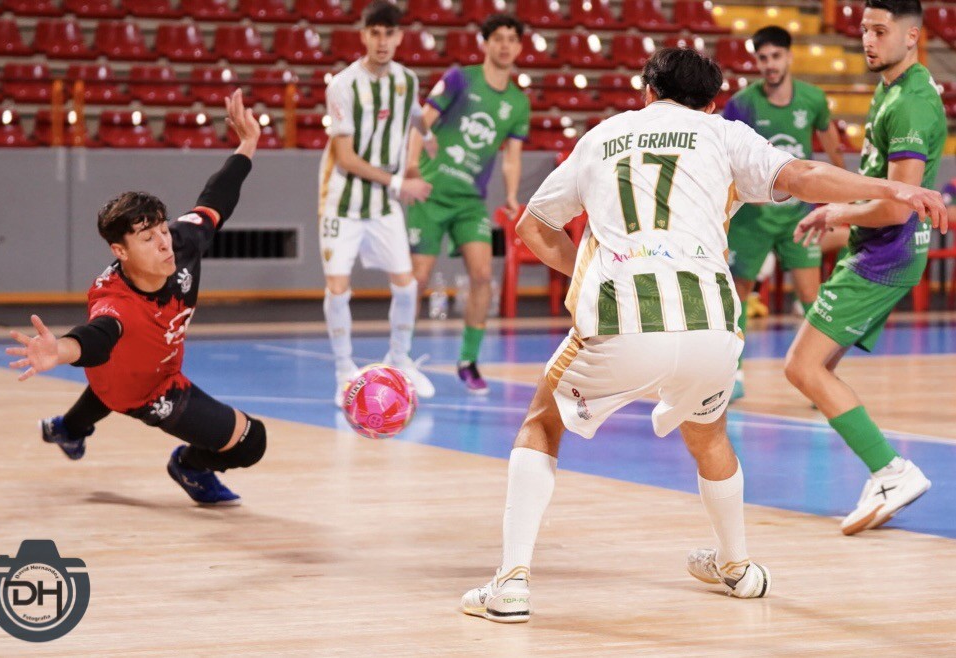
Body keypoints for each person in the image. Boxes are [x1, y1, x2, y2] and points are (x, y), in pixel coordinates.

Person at [459, 48, 946, 623]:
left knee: (543, 421)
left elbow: (533, 226)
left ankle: (511, 583)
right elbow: (806, 176)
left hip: (625, 319)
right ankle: (737, 566)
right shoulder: (723, 134)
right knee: (709, 431)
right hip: (713, 324)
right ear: (712, 103)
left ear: (646, 91)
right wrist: (893, 189)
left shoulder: (602, 136)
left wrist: (593, 272)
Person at [6, 90, 268, 506]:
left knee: (106, 387)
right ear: (120, 251)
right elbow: (96, 337)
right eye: (148, 238)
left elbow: (216, 198)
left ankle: (68, 429)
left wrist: (248, 143)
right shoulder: (115, 303)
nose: (164, 243)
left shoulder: (181, 242)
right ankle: (189, 465)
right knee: (252, 441)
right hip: (146, 390)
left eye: (163, 229)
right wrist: (61, 351)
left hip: (132, 365)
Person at [785, 0, 947, 535]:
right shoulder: (892, 89)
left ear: (913, 36)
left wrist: (836, 211)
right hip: (878, 247)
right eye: (864, 30)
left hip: (886, 253)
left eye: (880, 31)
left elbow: (898, 206)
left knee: (802, 367)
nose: (868, 41)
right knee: (815, 367)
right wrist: (838, 217)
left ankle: (892, 470)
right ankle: (885, 472)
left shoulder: (912, 104)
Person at [405, 13, 530, 394]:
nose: (505, 45)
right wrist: (411, 167)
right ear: (485, 43)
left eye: (512, 39)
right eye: (498, 38)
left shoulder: (518, 102)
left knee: (482, 276)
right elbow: (421, 120)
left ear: (519, 47)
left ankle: (468, 361)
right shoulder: (461, 78)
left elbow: (511, 157)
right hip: (430, 193)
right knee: (418, 278)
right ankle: (400, 356)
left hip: (470, 201)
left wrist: (511, 194)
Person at [319, 0, 436, 407]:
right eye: (375, 33)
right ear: (364, 35)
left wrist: (427, 138)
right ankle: (343, 372)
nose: (382, 41)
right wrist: (402, 181)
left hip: (383, 205)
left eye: (389, 33)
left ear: (399, 37)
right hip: (343, 203)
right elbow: (346, 158)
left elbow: (414, 115)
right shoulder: (342, 86)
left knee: (406, 285)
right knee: (338, 289)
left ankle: (399, 361)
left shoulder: (407, 80)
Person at [722, 25, 847, 400]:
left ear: (789, 57)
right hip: (752, 219)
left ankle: (821, 375)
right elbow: (725, 155)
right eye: (763, 58)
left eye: (776, 56)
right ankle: (733, 375)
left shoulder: (813, 99)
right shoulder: (742, 103)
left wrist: (841, 198)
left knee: (811, 294)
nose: (770, 64)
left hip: (798, 217)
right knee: (738, 293)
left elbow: (832, 149)